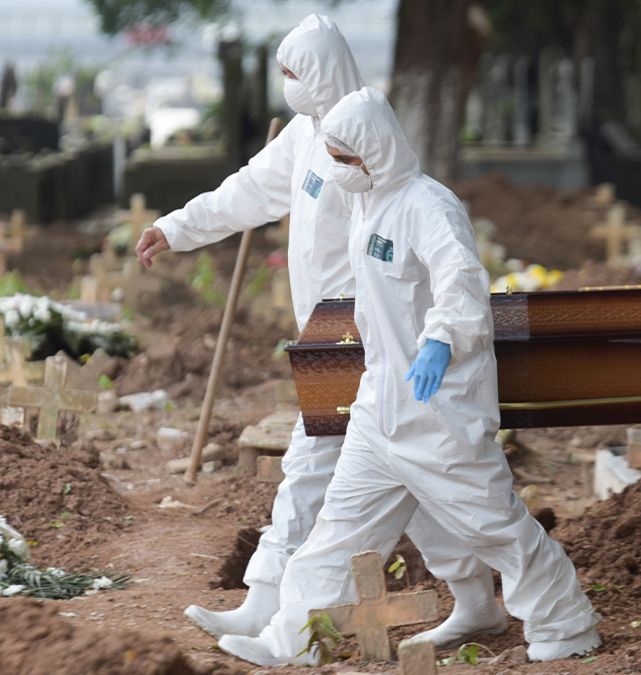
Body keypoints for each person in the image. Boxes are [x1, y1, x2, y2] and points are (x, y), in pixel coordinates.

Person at [134, 15, 501, 648]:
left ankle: (272, 607)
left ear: (321, 72)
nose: (288, 86)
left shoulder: (360, 141)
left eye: (293, 73)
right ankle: (471, 599)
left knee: (314, 462)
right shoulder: (307, 137)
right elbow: (249, 190)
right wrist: (179, 227)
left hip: (363, 335)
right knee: (405, 470)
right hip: (329, 335)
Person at [217, 86, 602, 666]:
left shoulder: (430, 205)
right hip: (380, 408)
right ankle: (290, 641)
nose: (340, 169)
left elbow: (461, 279)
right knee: (336, 533)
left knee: (495, 526)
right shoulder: (366, 202)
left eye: (347, 157)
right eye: (336, 158)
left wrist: (442, 339)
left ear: (375, 149)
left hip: (439, 411)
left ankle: (566, 624)